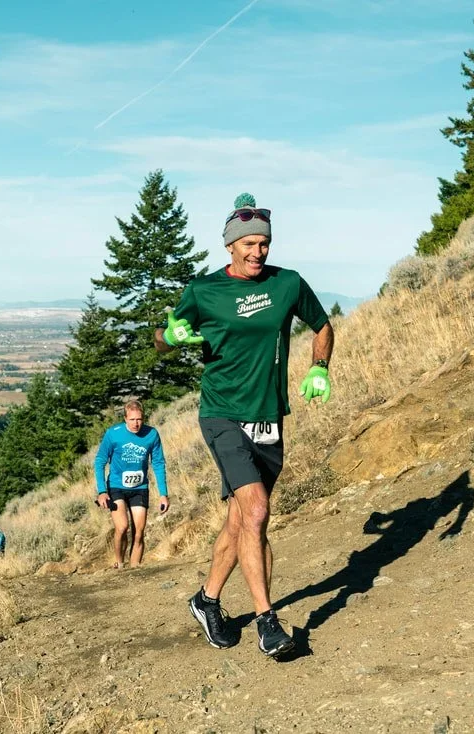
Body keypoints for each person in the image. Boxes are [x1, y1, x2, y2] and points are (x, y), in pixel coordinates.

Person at [155, 192, 334, 659]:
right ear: (230, 246)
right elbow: (163, 337)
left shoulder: (288, 284)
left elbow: (322, 325)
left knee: (240, 520)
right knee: (255, 511)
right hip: (221, 413)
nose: (258, 252)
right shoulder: (204, 291)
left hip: (269, 417)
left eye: (264, 244)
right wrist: (169, 337)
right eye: (248, 244)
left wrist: (320, 367)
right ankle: (267, 622)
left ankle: (206, 599)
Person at [94, 400, 170, 568]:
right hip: (116, 487)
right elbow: (99, 461)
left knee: (139, 532)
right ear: (125, 418)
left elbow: (158, 463)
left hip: (139, 488)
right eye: (132, 419)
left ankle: (135, 570)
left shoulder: (152, 434)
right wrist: (101, 491)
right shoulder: (113, 434)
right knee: (122, 527)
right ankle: (119, 564)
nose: (136, 423)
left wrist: (163, 494)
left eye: (140, 419)